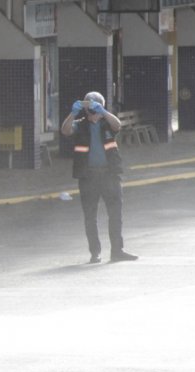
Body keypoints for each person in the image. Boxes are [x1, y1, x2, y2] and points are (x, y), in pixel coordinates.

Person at [61, 91, 138, 264]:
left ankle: (117, 251)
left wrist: (103, 112)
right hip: (88, 177)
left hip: (110, 175)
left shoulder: (107, 123)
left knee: (115, 214)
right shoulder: (80, 125)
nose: (91, 110)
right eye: (89, 105)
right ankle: (95, 253)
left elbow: (118, 125)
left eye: (95, 105)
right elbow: (65, 131)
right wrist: (73, 113)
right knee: (90, 216)